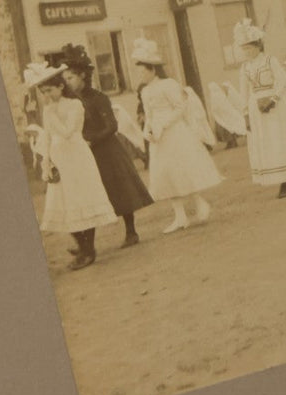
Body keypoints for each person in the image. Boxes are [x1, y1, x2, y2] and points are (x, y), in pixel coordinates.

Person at [57, 45, 154, 250]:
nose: (67, 82)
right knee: (88, 195)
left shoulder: (98, 98)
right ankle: (87, 245)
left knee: (120, 190)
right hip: (84, 153)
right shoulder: (69, 102)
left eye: (71, 77)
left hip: (107, 151)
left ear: (82, 75)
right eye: (65, 79)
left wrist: (91, 139)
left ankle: (131, 231)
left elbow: (112, 126)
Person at [26, 62, 119, 271]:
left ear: (60, 86)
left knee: (82, 198)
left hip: (76, 156)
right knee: (62, 202)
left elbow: (68, 132)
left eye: (49, 90)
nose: (46, 95)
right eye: (43, 92)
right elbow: (48, 136)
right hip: (59, 156)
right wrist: (46, 161)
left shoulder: (75, 105)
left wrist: (51, 115)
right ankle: (81, 244)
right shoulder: (48, 109)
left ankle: (89, 249)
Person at [131, 38, 221, 234]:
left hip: (174, 132)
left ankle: (200, 203)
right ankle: (180, 216)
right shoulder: (145, 91)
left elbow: (180, 107)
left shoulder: (168, 84)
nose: (141, 75)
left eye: (143, 71)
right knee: (166, 173)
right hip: (158, 137)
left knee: (182, 169)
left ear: (153, 69)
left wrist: (164, 124)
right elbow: (149, 114)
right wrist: (148, 130)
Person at [235, 20, 286, 198]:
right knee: (267, 143)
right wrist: (246, 114)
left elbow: (282, 81)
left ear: (258, 46)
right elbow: (243, 92)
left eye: (249, 48)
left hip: (275, 106)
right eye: (244, 49)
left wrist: (273, 99)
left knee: (280, 140)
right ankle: (277, 177)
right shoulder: (245, 67)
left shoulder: (269, 60)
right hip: (256, 108)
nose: (247, 52)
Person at [207, 80, 248, 147]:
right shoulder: (220, 94)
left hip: (224, 116)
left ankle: (233, 143)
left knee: (228, 129)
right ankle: (231, 143)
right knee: (228, 129)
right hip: (222, 116)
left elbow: (219, 106)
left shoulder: (216, 95)